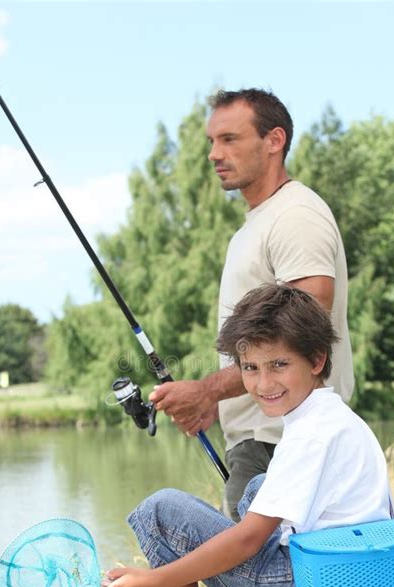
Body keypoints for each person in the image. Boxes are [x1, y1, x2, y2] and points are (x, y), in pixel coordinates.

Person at [102, 284, 390, 587]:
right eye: (251, 368)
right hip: (362, 583)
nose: (264, 383)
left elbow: (249, 539)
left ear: (317, 359)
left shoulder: (309, 437)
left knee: (159, 512)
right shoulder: (337, 417)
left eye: (279, 364)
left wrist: (153, 581)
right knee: (257, 487)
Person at [149, 89, 354, 521]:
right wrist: (212, 400)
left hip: (280, 441)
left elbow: (304, 327)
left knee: (257, 582)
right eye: (211, 142)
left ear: (274, 140)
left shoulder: (295, 214)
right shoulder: (253, 226)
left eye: (229, 139)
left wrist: (208, 390)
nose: (213, 154)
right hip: (261, 440)